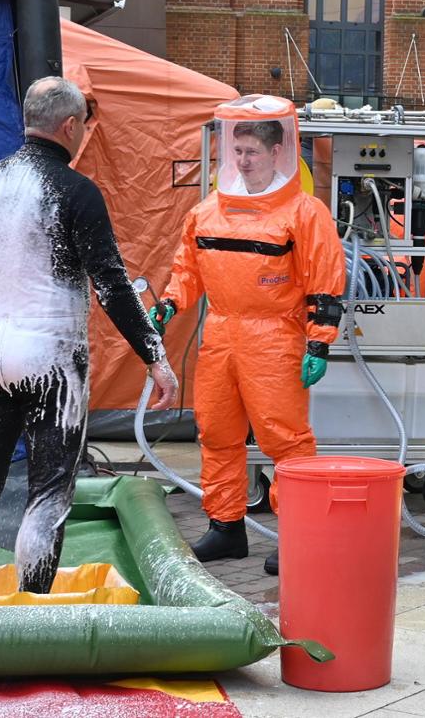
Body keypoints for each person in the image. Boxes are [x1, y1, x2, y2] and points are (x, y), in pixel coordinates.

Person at [0, 76, 179, 598]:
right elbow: (112, 285)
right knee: (48, 493)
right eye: (84, 128)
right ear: (69, 126)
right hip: (50, 359)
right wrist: (155, 357)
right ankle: (34, 615)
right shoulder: (77, 190)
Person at [150, 95, 346, 576]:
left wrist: (318, 341)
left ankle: (297, 533)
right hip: (220, 334)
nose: (242, 160)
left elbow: (324, 281)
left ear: (278, 151)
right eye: (236, 150)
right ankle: (225, 526)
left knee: (286, 439)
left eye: (252, 151)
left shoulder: (304, 213)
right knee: (216, 433)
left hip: (275, 336)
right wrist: (168, 305)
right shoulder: (208, 212)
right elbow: (187, 270)